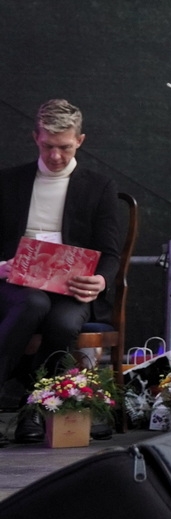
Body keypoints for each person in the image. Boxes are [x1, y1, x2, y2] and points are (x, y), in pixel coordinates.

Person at [0, 100, 123, 444]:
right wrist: (3, 267)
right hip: (15, 284)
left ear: (80, 141)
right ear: (35, 138)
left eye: (65, 147)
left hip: (71, 289)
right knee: (33, 304)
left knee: (65, 322)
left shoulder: (99, 186)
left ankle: (35, 407)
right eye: (47, 146)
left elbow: (110, 252)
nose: (55, 156)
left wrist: (100, 281)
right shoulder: (8, 182)